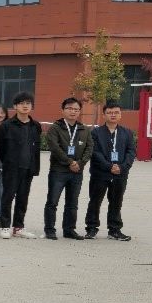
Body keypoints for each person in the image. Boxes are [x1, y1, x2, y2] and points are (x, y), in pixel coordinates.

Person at [43, 97, 94, 241]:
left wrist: (80, 163)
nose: (73, 111)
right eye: (70, 108)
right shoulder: (55, 128)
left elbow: (89, 148)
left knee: (72, 203)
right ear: (63, 110)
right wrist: (70, 162)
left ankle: (69, 229)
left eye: (76, 109)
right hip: (58, 171)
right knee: (52, 202)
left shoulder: (84, 129)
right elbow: (54, 147)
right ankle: (50, 230)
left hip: (77, 172)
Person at [86, 101, 136, 241]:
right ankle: (91, 229)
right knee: (95, 201)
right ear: (104, 115)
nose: (113, 115)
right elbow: (95, 152)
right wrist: (109, 166)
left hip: (120, 174)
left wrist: (122, 167)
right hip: (100, 173)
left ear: (120, 115)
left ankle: (114, 230)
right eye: (109, 112)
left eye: (116, 112)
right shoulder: (96, 132)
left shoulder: (127, 133)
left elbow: (131, 152)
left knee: (116, 202)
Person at [0, 92, 43, 239]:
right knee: (8, 196)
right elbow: (0, 148)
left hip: (28, 167)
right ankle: (5, 226)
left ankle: (18, 227)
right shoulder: (7, 125)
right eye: (21, 103)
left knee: (23, 198)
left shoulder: (35, 126)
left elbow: (36, 148)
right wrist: (8, 162)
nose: (25, 106)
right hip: (11, 168)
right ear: (15, 106)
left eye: (28, 103)